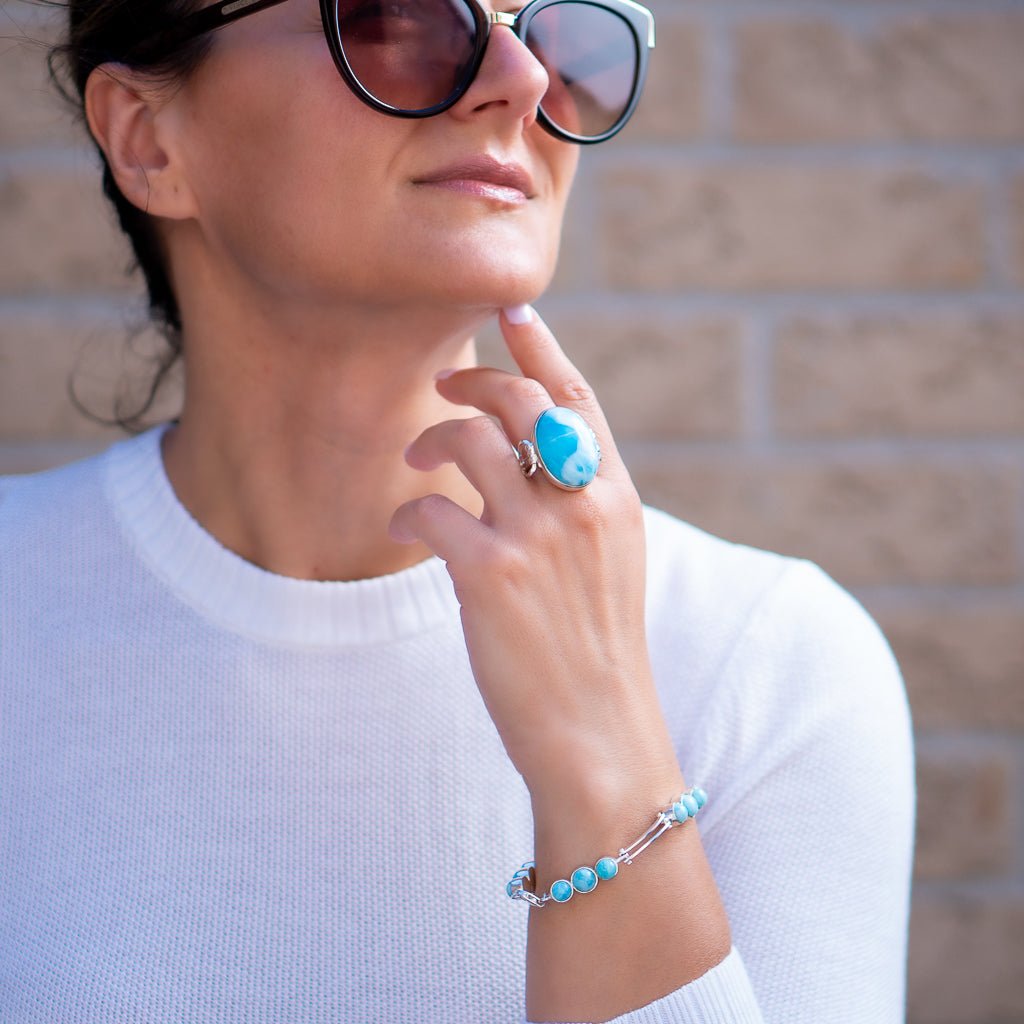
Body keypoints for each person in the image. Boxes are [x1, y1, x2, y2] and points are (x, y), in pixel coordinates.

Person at [0, 1, 916, 1021]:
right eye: (401, 18)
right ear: (146, 135)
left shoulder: (771, 666)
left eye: (565, 37)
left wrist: (601, 743)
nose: (525, 82)